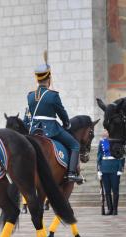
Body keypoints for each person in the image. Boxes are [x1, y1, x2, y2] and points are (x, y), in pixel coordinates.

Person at [23, 51, 82, 182]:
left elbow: (29, 114)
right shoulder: (53, 95)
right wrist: (67, 124)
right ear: (49, 79)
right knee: (75, 145)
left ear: (37, 79)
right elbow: (61, 112)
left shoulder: (30, 95)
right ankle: (71, 173)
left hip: (34, 130)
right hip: (50, 129)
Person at [97, 130, 125, 215]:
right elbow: (99, 156)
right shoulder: (101, 142)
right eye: (104, 131)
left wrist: (120, 168)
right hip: (104, 168)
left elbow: (121, 156)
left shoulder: (116, 142)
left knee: (115, 190)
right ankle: (110, 208)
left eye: (107, 131)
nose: (105, 132)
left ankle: (115, 209)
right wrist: (99, 169)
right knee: (107, 191)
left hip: (114, 167)